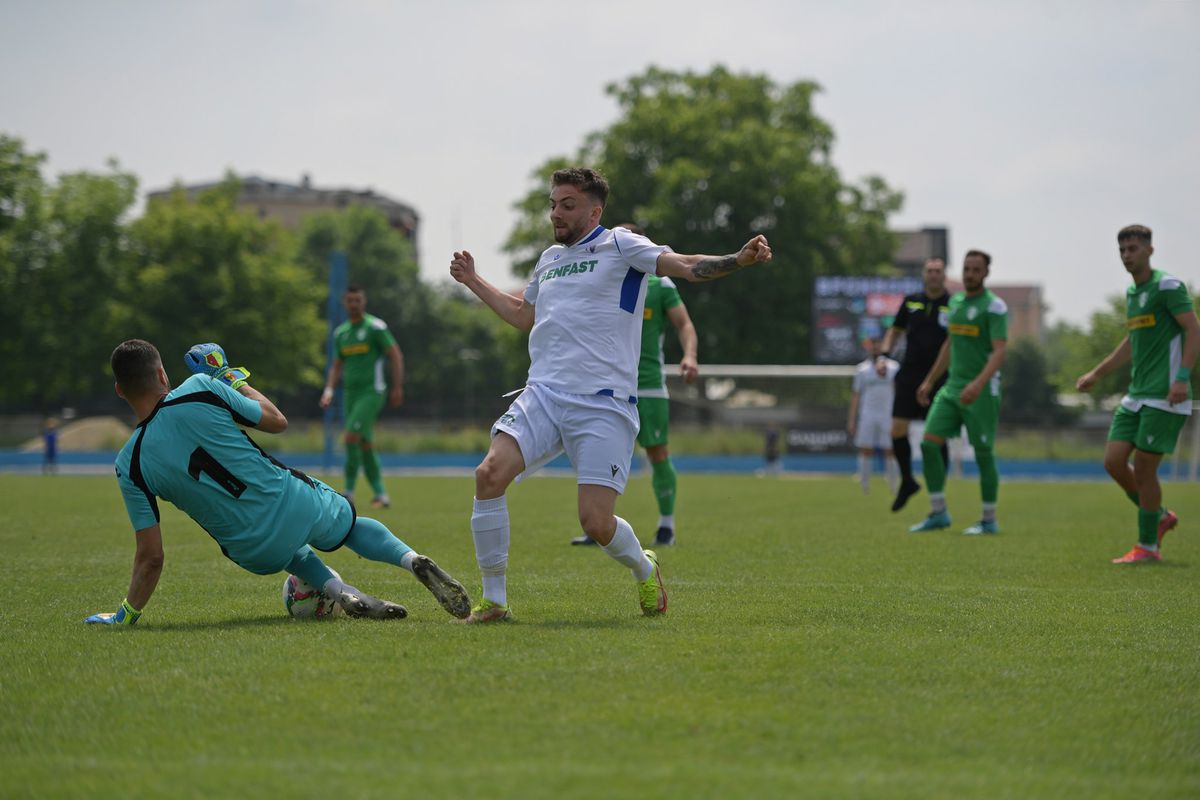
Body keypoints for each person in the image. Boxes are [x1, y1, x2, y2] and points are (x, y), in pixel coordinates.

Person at [449, 167, 772, 623]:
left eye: (567, 205)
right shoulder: (549, 259)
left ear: (594, 211)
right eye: (553, 204)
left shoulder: (621, 245)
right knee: (488, 475)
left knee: (595, 523)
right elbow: (524, 315)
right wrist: (474, 281)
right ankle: (495, 600)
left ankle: (644, 567)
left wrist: (737, 260)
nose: (556, 213)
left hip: (603, 403)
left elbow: (684, 265)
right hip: (543, 393)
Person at [84, 339, 469, 626]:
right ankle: (411, 560)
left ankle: (342, 592)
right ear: (162, 374)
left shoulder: (128, 464)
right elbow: (276, 421)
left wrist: (125, 615)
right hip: (291, 501)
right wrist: (227, 376)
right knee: (348, 526)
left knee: (294, 556)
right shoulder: (201, 387)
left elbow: (151, 557)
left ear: (120, 390)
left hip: (251, 550)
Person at [570, 222, 699, 548]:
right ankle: (594, 526)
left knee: (657, 453)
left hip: (648, 385)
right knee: (594, 454)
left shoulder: (660, 284)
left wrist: (690, 356)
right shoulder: (598, 279)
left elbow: (684, 324)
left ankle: (666, 525)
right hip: (604, 385)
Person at [1076, 225, 1199, 564]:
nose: (1127, 255)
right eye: (1122, 250)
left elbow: (1193, 328)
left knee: (1144, 469)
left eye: (1133, 248)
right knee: (1114, 462)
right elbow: (1132, 342)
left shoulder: (1167, 285)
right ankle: (1159, 516)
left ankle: (1148, 546)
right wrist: (1096, 373)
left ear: (1150, 250)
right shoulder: (1134, 295)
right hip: (1136, 395)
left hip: (1165, 395)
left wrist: (1182, 378)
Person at [908, 250, 1008, 535]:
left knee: (983, 453)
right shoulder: (957, 302)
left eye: (976, 269)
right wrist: (929, 381)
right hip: (952, 388)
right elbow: (950, 345)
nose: (970, 274)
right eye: (966, 268)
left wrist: (977, 384)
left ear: (986, 273)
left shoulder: (995, 307)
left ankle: (989, 519)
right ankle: (938, 512)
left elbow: (1000, 351)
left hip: (983, 390)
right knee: (929, 444)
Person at [319, 285, 404, 509]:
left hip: (372, 392)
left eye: (358, 300)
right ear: (345, 303)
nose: (354, 304)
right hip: (350, 395)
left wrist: (397, 386)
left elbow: (395, 354)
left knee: (350, 437)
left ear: (364, 302)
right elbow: (336, 366)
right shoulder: (341, 333)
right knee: (365, 443)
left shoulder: (375, 327)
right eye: (350, 300)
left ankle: (347, 491)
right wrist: (328, 390)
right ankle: (381, 495)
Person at [878, 257, 951, 511]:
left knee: (936, 437)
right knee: (897, 430)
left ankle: (938, 493)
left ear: (944, 275)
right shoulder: (911, 300)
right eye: (929, 271)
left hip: (941, 377)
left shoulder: (953, 304)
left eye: (937, 271)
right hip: (909, 373)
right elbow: (895, 331)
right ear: (924, 274)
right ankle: (908, 480)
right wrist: (884, 356)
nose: (933, 275)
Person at [848, 337, 899, 495]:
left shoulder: (893, 368)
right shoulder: (862, 370)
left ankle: (893, 485)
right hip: (868, 414)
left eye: (879, 346)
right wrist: (852, 419)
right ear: (869, 348)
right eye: (873, 346)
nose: (875, 349)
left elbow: (898, 392)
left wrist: (900, 415)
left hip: (888, 414)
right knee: (866, 449)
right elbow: (856, 395)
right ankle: (865, 486)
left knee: (890, 449)